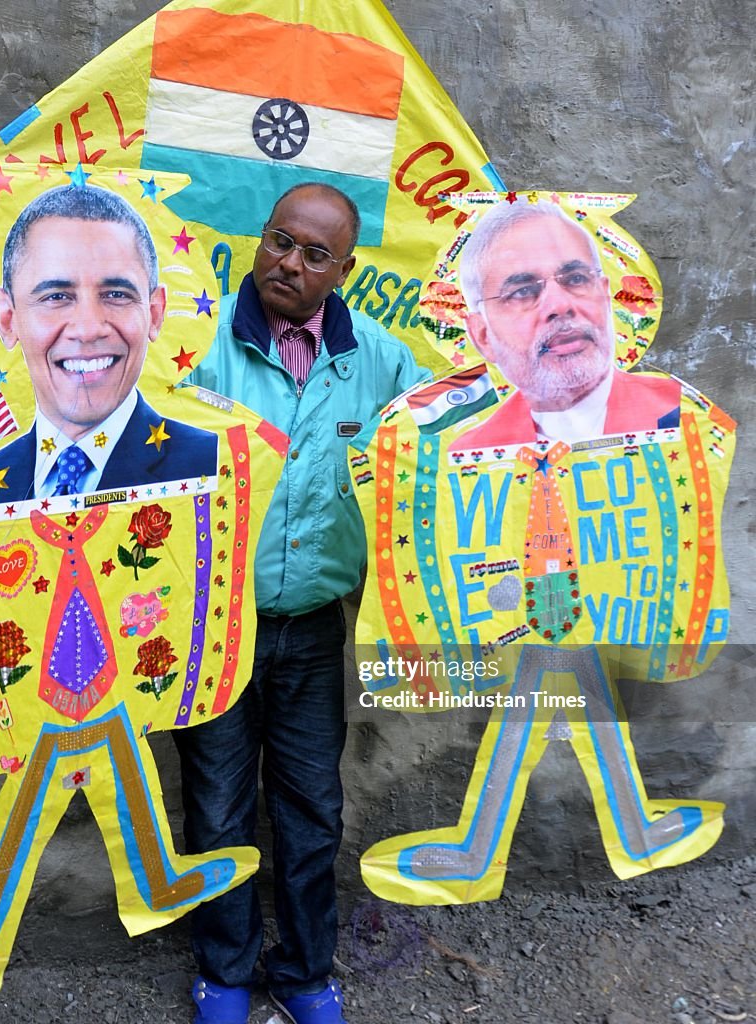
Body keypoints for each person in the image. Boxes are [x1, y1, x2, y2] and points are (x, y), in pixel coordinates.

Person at [173, 183, 429, 1024]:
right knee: (217, 808)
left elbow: (451, 433)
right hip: (209, 622)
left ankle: (307, 971)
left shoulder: (381, 360)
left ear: (345, 271)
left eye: (316, 254)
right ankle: (227, 972)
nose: (290, 262)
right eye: (281, 240)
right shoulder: (191, 344)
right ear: (262, 240)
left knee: (313, 808)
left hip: (315, 625)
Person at [0, 184, 217, 510]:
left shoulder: (212, 471)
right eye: (56, 297)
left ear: (155, 313)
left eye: (116, 294)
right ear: (7, 318)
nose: (88, 329)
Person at [452, 200, 679, 448]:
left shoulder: (682, 417)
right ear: (483, 335)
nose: (559, 305)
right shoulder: (469, 456)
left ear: (605, 297)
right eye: (523, 291)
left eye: (576, 279)